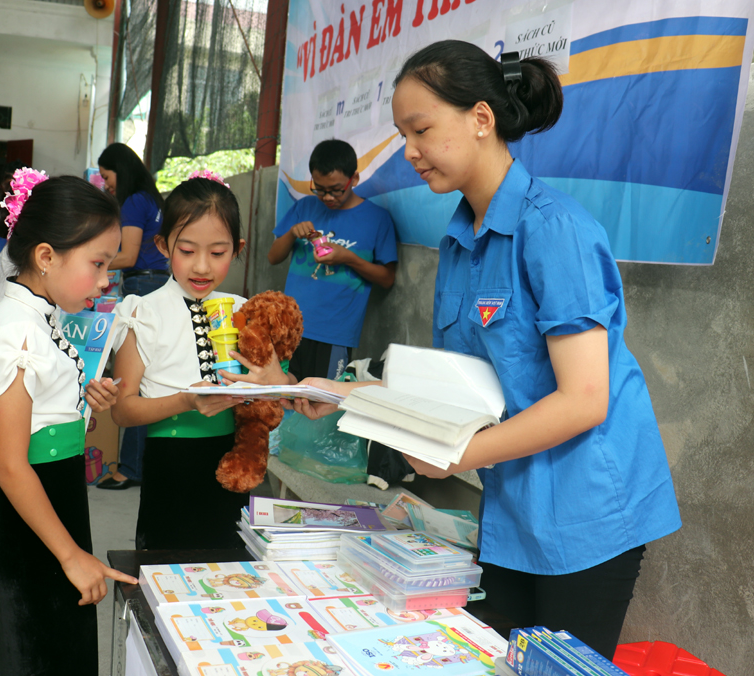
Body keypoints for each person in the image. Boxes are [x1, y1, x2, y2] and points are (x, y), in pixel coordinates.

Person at [288, 42, 681, 659]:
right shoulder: (459, 240)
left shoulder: (554, 229)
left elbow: (584, 400)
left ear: (480, 117)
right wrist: (337, 394)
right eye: (401, 134)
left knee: (558, 669)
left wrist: (456, 453)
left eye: (421, 130)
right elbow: (453, 385)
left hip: (587, 511)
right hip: (513, 506)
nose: (409, 152)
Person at [0, 171, 136, 676]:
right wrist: (71, 556)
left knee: (61, 649)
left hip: (55, 504)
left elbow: (40, 412)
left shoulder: (42, 318)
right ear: (46, 256)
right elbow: (11, 465)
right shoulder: (18, 333)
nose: (106, 279)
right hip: (29, 523)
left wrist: (81, 400)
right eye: (98, 263)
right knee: (33, 655)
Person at [111, 175, 293, 549]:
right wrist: (184, 401)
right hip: (171, 466)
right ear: (163, 245)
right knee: (167, 570)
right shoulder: (142, 313)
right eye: (188, 250)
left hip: (231, 462)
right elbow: (122, 412)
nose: (202, 267)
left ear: (237, 249)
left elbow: (278, 382)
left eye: (218, 252)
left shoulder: (244, 312)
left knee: (228, 568)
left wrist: (277, 381)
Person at [268, 139, 398, 381]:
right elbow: (273, 257)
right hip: (289, 327)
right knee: (282, 396)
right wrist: (291, 233)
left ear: (354, 179)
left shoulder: (377, 219)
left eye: (336, 189)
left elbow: (387, 278)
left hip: (335, 333)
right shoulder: (304, 207)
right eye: (319, 188)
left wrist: (349, 258)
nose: (327, 197)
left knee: (322, 404)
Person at [96, 143, 168, 490]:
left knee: (133, 382)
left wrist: (92, 262)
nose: (105, 183)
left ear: (119, 171)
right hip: (157, 284)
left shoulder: (134, 201)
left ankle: (128, 468)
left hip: (144, 287)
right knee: (150, 381)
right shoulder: (151, 199)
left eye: (107, 176)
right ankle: (139, 464)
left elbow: (129, 254)